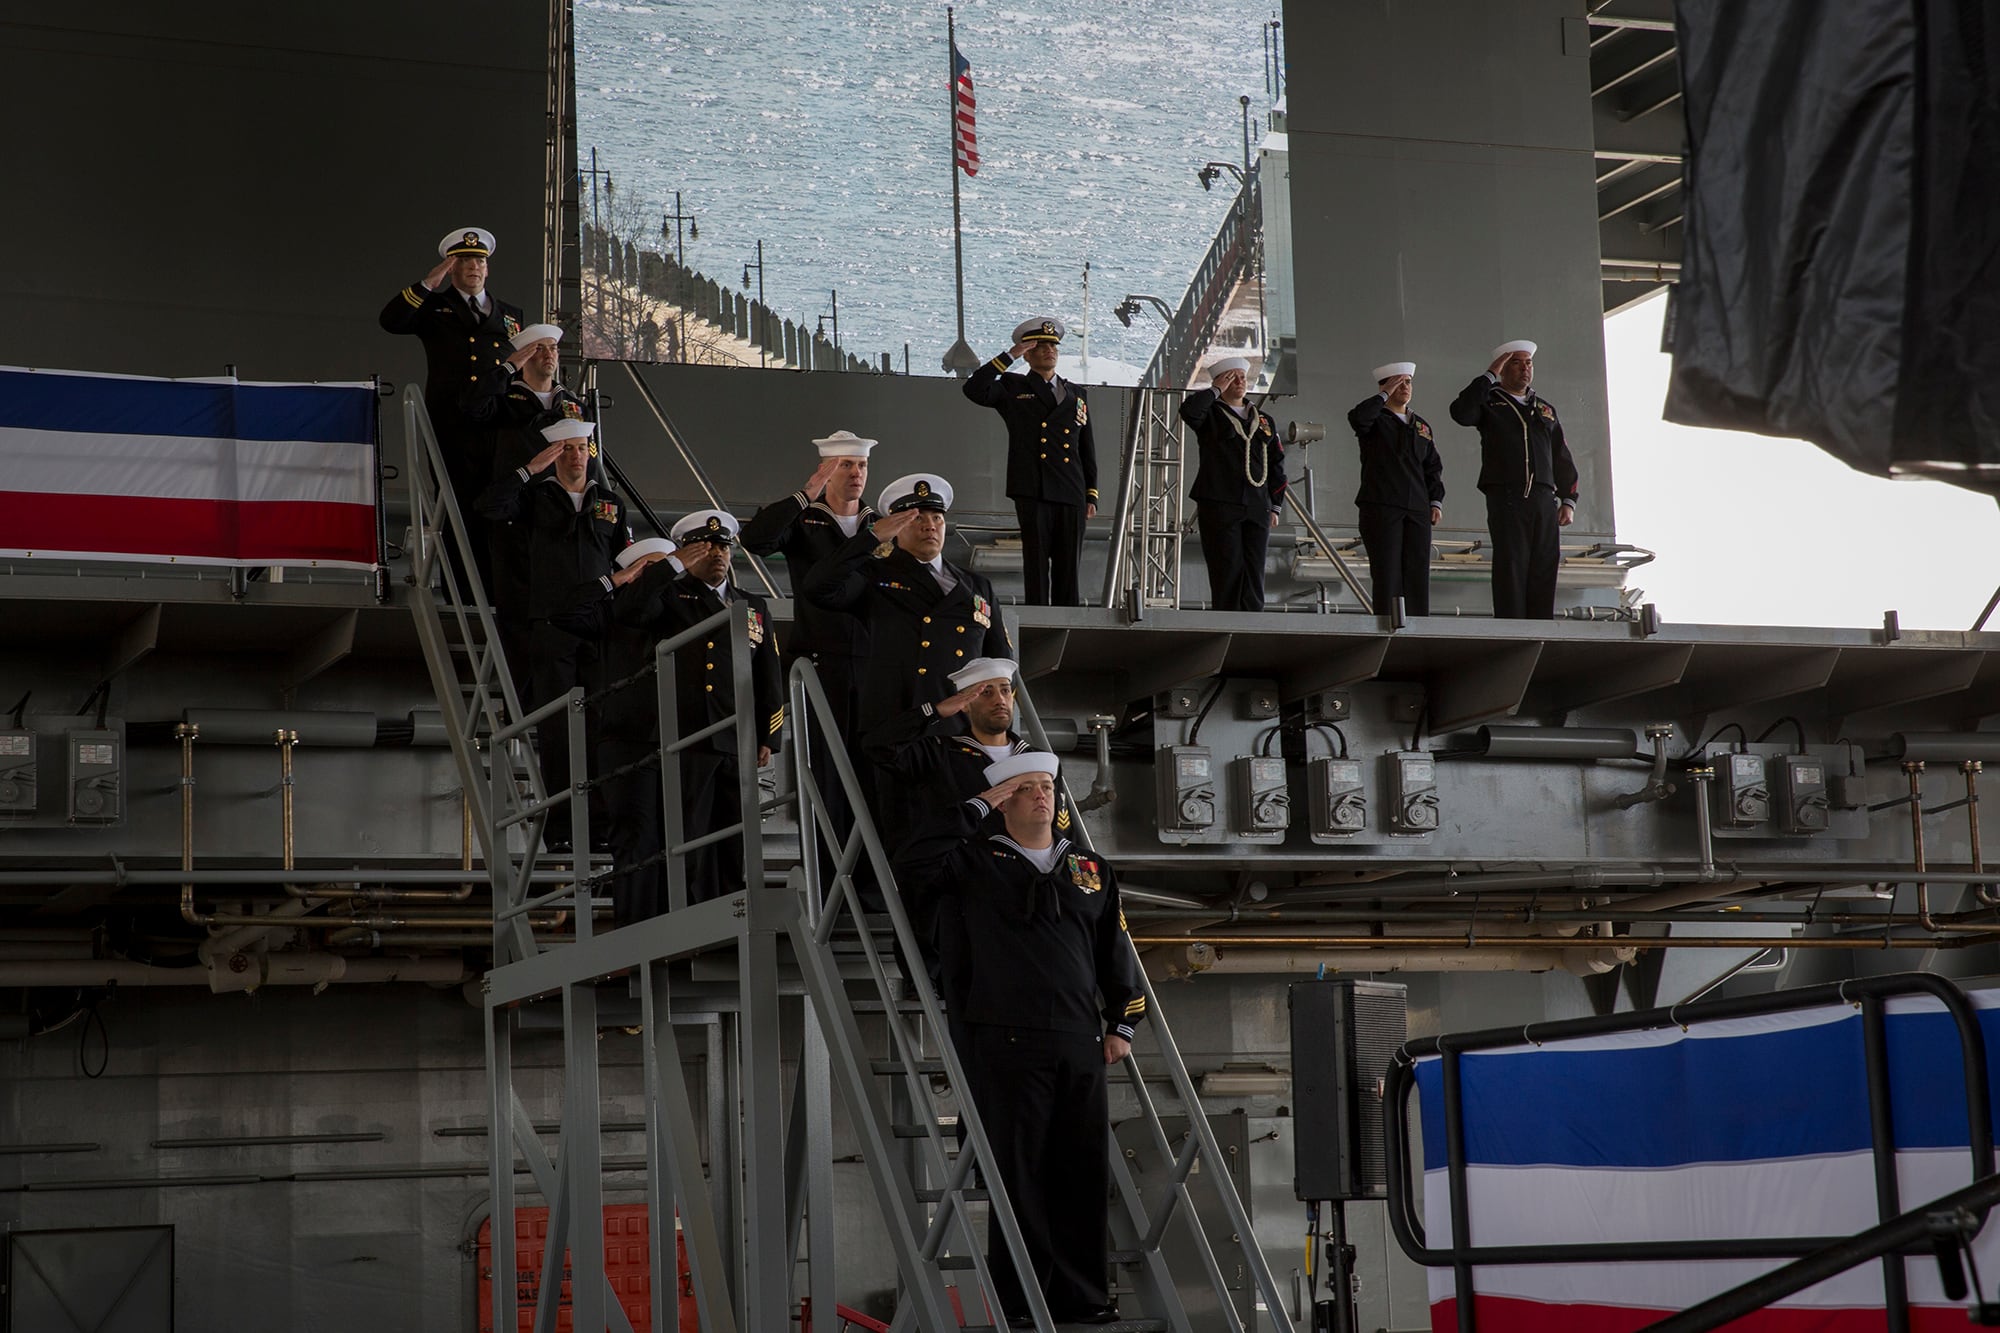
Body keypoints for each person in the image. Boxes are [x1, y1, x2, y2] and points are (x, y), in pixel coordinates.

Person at [893, 752, 1145, 1327]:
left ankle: (1083, 1297)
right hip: (1004, 1042)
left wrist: (1122, 1025)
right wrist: (981, 802)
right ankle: (1025, 1302)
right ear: (1005, 799)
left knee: (1081, 1171)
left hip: (1080, 1042)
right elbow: (913, 862)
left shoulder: (1089, 868)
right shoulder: (973, 862)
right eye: (1026, 788)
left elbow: (1116, 951)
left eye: (1048, 787)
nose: (1041, 796)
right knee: (1018, 1176)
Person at [614, 509, 784, 905]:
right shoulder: (670, 596)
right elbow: (630, 611)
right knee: (690, 833)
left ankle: (730, 909)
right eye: (704, 547)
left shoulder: (752, 604)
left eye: (722, 546)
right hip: (688, 734)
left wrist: (768, 735)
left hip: (736, 736)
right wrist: (671, 567)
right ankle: (690, 913)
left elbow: (768, 675)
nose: (716, 553)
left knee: (734, 833)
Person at [475, 419, 629, 853]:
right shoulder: (535, 498)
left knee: (601, 726)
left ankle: (601, 828)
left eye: (582, 448)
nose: (576, 456)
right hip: (551, 626)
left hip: (598, 627)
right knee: (560, 731)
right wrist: (529, 469)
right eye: (567, 450)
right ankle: (565, 827)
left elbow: (621, 559)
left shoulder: (610, 503)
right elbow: (488, 507)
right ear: (554, 455)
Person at [803, 473, 1013, 741]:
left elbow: (1001, 661)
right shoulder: (873, 574)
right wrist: (871, 538)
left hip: (961, 728)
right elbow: (816, 587)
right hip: (897, 725)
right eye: (917, 518)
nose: (930, 526)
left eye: (937, 518)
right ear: (895, 526)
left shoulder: (976, 585)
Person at [379, 227, 525, 594]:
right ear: (451, 266)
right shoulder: (434, 307)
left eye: (479, 261)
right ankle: (462, 589)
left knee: (500, 503)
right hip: (451, 423)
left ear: (487, 269)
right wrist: (429, 283)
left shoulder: (510, 314)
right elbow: (392, 321)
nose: (473, 267)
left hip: (497, 423)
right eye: (463, 261)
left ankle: (498, 589)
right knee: (460, 505)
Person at [461, 321, 588, 703]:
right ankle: (524, 700)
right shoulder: (504, 397)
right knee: (518, 609)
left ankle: (565, 695)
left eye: (553, 349)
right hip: (517, 511)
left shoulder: (573, 405)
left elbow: (590, 459)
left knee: (565, 606)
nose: (549, 355)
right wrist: (506, 368)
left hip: (561, 514)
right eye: (540, 350)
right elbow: (471, 407)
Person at [562, 536, 681, 924]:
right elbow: (562, 613)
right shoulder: (611, 613)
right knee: (637, 839)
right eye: (654, 569)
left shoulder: (683, 612)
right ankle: (639, 928)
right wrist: (616, 580)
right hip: (627, 739)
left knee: (682, 836)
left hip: (681, 738)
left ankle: (682, 924)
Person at [738, 429, 879, 748]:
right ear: (826, 472)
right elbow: (754, 540)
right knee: (825, 757)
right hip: (822, 655)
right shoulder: (803, 520)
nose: (856, 473)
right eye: (845, 465)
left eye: (862, 465)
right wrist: (804, 495)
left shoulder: (880, 526)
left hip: (872, 657)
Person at [962, 318, 1098, 606]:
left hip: (1071, 489)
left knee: (1068, 566)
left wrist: (1091, 492)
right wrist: (1009, 356)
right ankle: (1039, 619)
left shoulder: (1076, 394)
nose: (1049, 350)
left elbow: (1086, 448)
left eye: (1053, 346)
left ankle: (1067, 621)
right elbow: (974, 389)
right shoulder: (1013, 386)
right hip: (1033, 487)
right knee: (1036, 563)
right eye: (1041, 346)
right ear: (1029, 353)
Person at [1449, 339, 1579, 620]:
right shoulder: (1490, 401)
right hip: (1507, 496)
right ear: (1503, 368)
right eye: (1516, 363)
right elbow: (1461, 413)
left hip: (1544, 498)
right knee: (1512, 563)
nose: (1524, 369)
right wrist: (1488, 376)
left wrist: (1568, 499)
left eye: (1528, 363)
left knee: (1545, 562)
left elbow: (1560, 455)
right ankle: (1513, 626)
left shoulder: (1544, 409)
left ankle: (1540, 627)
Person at [1182, 355, 1286, 612]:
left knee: (1254, 570)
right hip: (1221, 503)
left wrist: (1275, 505)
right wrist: (1215, 389)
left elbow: (1276, 463)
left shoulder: (1263, 420)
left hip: (1257, 504)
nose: (1239, 382)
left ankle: (1252, 628)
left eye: (1242, 377)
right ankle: (1227, 624)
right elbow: (1189, 412)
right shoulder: (1211, 414)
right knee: (1226, 568)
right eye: (1232, 377)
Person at [1347, 361, 1445, 617]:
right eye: (1398, 382)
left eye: (1408, 382)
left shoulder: (1420, 425)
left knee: (1416, 573)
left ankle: (1417, 631)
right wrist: (1383, 395)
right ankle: (1390, 627)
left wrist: (1435, 501)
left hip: (1416, 509)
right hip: (1382, 506)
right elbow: (1357, 418)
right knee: (1388, 572)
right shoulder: (1375, 419)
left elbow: (1432, 467)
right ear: (1385, 386)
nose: (1405, 387)